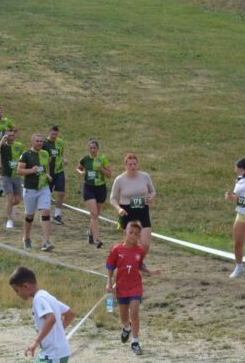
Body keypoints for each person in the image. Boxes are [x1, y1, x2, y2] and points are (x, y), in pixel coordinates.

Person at [106, 220, 162, 356]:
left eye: (136, 234)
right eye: (131, 232)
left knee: (134, 311)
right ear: (125, 232)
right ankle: (127, 328)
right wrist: (109, 282)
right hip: (121, 287)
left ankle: (135, 341)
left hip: (135, 286)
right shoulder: (116, 249)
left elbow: (140, 265)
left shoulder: (140, 250)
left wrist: (151, 272)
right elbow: (110, 266)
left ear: (139, 236)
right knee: (124, 316)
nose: (133, 235)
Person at [9, 266, 75, 363]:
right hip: (51, 353)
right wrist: (58, 332)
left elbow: (51, 319)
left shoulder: (39, 299)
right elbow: (70, 314)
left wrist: (36, 342)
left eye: (17, 290)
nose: (16, 294)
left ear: (25, 286)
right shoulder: (46, 295)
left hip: (53, 355)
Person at [110, 154, 156, 254]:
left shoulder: (145, 176)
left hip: (143, 211)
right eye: (130, 164)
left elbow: (153, 191)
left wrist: (151, 197)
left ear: (138, 165)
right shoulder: (119, 180)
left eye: (134, 164)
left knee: (145, 244)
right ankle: (129, 260)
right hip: (127, 212)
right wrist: (119, 209)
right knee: (131, 243)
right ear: (125, 166)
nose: (132, 166)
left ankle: (139, 261)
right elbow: (112, 199)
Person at [17, 133, 53, 251]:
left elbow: (45, 167)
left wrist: (47, 175)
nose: (39, 143)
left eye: (41, 141)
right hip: (30, 189)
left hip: (43, 188)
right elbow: (19, 170)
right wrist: (31, 171)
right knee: (30, 215)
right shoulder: (26, 154)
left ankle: (46, 241)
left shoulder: (45, 153)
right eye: (37, 141)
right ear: (32, 142)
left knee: (46, 211)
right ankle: (26, 238)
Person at [76, 138, 112, 248]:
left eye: (94, 148)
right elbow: (78, 168)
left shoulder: (102, 159)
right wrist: (81, 173)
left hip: (101, 188)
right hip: (88, 188)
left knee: (96, 215)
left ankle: (90, 234)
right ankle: (97, 239)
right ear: (88, 148)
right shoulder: (85, 159)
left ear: (97, 148)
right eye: (90, 148)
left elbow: (109, 175)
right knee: (94, 214)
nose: (92, 150)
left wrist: (101, 169)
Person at [0, 129, 25, 229]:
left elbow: (23, 158)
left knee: (18, 200)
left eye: (12, 135)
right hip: (6, 176)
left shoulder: (19, 146)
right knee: (10, 197)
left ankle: (10, 207)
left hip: (17, 176)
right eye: (9, 136)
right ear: (5, 136)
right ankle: (9, 220)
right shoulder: (3, 146)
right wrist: (2, 140)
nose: (11, 138)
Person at [43, 126, 67, 225]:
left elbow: (62, 153)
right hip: (49, 172)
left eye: (56, 134)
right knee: (47, 194)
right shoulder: (44, 143)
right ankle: (45, 214)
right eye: (52, 134)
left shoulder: (60, 142)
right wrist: (46, 172)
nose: (54, 136)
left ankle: (57, 215)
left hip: (59, 171)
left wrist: (64, 159)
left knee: (61, 193)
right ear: (49, 132)